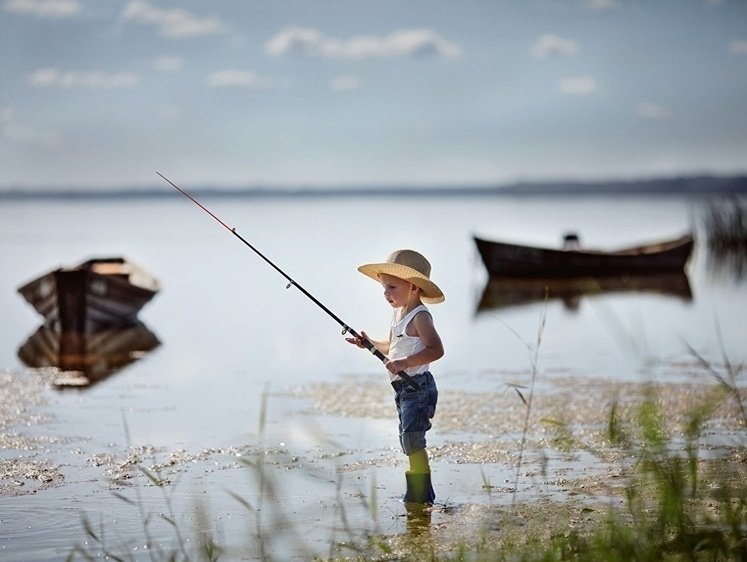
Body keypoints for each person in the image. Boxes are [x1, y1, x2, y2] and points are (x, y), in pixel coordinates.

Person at [346, 249, 444, 504]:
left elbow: (436, 350)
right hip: (402, 388)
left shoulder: (420, 316)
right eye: (383, 288)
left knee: (413, 440)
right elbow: (392, 347)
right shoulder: (398, 314)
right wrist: (368, 343)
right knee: (407, 439)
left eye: (392, 287)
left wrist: (406, 362)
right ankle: (421, 494)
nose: (386, 293)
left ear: (413, 287)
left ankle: (421, 495)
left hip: (418, 386)